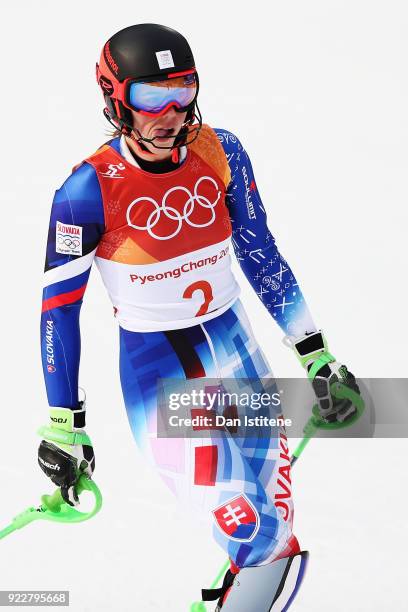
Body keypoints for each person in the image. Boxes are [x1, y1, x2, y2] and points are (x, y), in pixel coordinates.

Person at [37, 23, 359, 611]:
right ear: (115, 100)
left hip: (239, 354)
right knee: (256, 537)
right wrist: (65, 419)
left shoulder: (222, 150)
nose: (170, 111)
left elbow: (260, 251)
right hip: (159, 374)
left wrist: (314, 352)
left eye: (182, 90)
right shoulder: (85, 190)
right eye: (150, 97)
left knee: (279, 539)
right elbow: (59, 310)